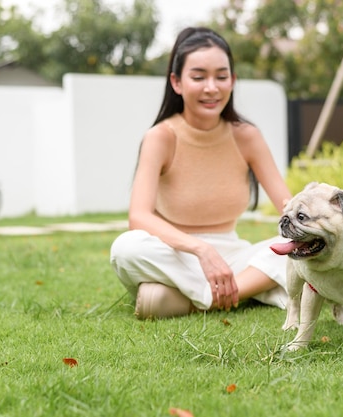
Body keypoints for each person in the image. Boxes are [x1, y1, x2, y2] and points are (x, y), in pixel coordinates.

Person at [110, 27, 293, 319]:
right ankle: (248, 290)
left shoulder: (247, 136)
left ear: (233, 80)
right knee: (125, 248)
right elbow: (139, 217)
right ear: (176, 82)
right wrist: (201, 250)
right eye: (198, 77)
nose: (212, 88)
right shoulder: (161, 137)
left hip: (233, 256)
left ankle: (194, 299)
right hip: (175, 254)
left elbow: (291, 211)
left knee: (294, 250)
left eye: (221, 77)